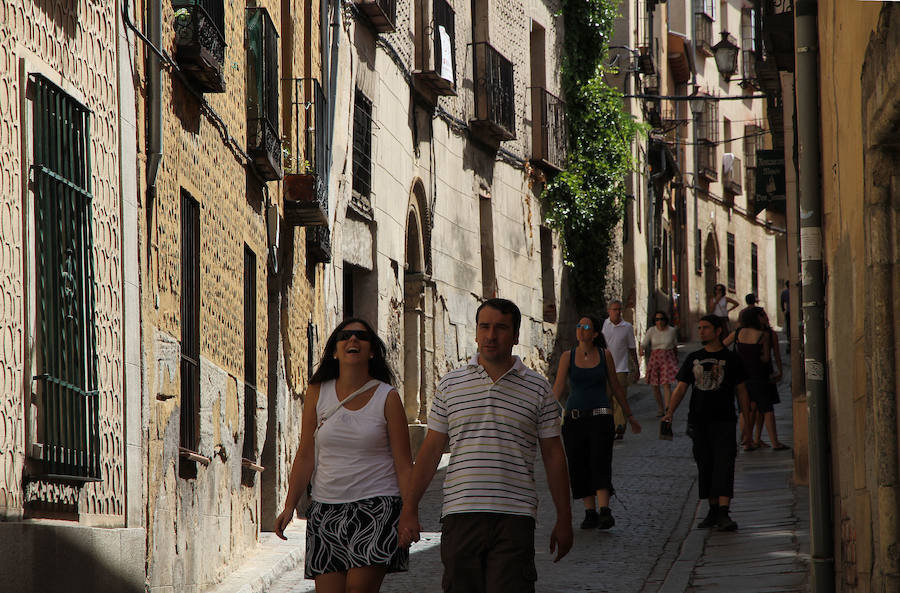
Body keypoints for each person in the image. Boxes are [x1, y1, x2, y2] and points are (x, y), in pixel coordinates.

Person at [398, 298, 573, 593]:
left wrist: (564, 518)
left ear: (516, 336)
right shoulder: (450, 385)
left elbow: (554, 456)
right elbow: (430, 451)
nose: (491, 335)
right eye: (485, 327)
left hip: (515, 517)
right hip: (460, 514)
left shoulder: (537, 388)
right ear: (476, 332)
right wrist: (410, 507)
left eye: (501, 328)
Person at [274, 318, 412, 593]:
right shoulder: (317, 392)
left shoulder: (388, 397)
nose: (353, 340)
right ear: (335, 351)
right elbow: (305, 454)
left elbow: (404, 465)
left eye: (361, 337)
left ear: (372, 351)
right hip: (326, 510)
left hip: (378, 508)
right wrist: (290, 504)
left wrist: (409, 512)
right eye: (345, 336)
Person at [551, 315, 641, 530]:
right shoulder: (567, 356)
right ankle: (589, 512)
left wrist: (629, 416)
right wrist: (543, 412)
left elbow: (616, 387)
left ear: (595, 333)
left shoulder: (604, 355)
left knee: (600, 461)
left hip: (601, 418)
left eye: (586, 327)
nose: (581, 330)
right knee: (578, 464)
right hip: (574, 420)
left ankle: (605, 510)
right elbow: (558, 388)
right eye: (578, 325)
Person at [662, 315, 751, 531]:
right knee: (705, 464)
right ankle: (712, 510)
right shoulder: (694, 357)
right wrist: (669, 412)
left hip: (724, 419)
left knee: (724, 463)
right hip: (699, 421)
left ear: (718, 331)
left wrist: (747, 421)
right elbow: (681, 388)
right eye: (699, 328)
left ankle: (723, 511)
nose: (701, 332)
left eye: (706, 328)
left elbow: (742, 391)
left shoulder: (732, 360)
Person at [725, 307, 772, 452]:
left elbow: (722, 346)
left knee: (743, 407)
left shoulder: (737, 333)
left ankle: (746, 439)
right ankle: (753, 439)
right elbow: (765, 358)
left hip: (739, 373)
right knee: (758, 406)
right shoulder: (762, 335)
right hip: (757, 373)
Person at [601, 300, 640, 439]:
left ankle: (620, 427)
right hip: (605, 369)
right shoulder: (604, 325)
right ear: (609, 311)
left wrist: (636, 366)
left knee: (620, 398)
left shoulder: (627, 327)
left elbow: (631, 348)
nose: (617, 312)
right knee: (607, 399)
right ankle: (610, 426)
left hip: (621, 368)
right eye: (614, 309)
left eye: (619, 309)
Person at [640, 310, 679, 417]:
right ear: (654, 321)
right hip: (655, 358)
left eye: (661, 319)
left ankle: (667, 408)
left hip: (667, 357)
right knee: (655, 385)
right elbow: (644, 343)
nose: (659, 321)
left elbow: (674, 345)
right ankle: (661, 408)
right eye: (657, 319)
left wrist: (676, 358)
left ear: (665, 320)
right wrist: (641, 350)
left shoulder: (671, 331)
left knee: (666, 384)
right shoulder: (651, 331)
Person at [780, 280, 791, 352]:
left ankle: (789, 343)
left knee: (788, 328)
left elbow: (781, 302)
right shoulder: (792, 292)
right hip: (793, 312)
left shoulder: (784, 292)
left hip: (788, 312)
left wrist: (783, 310)